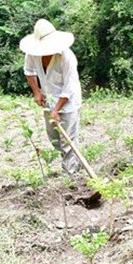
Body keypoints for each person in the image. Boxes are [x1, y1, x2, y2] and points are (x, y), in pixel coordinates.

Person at [20, 18, 83, 176]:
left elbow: (69, 87)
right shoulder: (32, 53)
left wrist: (57, 109)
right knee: (54, 138)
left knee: (68, 138)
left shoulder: (66, 57)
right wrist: (37, 91)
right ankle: (74, 162)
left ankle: (70, 174)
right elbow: (29, 71)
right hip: (49, 100)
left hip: (68, 103)